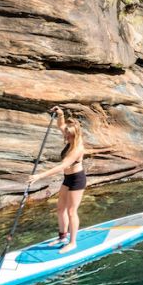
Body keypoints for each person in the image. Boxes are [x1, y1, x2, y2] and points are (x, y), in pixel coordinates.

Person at [29, 106, 87, 254]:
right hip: (68, 178)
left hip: (77, 180)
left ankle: (72, 242)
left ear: (76, 134)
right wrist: (60, 114)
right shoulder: (70, 134)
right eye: (66, 134)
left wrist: (39, 176)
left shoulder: (77, 148)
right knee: (60, 209)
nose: (66, 137)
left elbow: (63, 165)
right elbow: (61, 125)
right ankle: (62, 237)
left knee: (71, 211)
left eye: (68, 135)